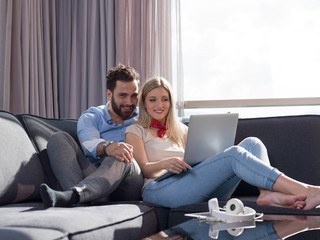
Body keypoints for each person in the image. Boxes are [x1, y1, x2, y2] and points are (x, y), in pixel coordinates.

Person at [125, 76, 320, 210]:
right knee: (234, 154)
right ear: (144, 103)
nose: (159, 105)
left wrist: (214, 148)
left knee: (253, 143)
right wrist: (165, 164)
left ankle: (266, 193)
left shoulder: (182, 130)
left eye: (164, 99)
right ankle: (304, 190)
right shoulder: (135, 130)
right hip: (158, 190)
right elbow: (144, 169)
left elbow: (198, 163)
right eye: (153, 100)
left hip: (192, 185)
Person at [40, 63, 143, 207]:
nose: (129, 102)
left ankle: (74, 196)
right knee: (58, 138)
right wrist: (108, 147)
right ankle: (79, 200)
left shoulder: (144, 116)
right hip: (95, 176)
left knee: (122, 155)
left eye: (134, 96)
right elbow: (88, 142)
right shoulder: (92, 116)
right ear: (109, 94)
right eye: (123, 95)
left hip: (128, 181)